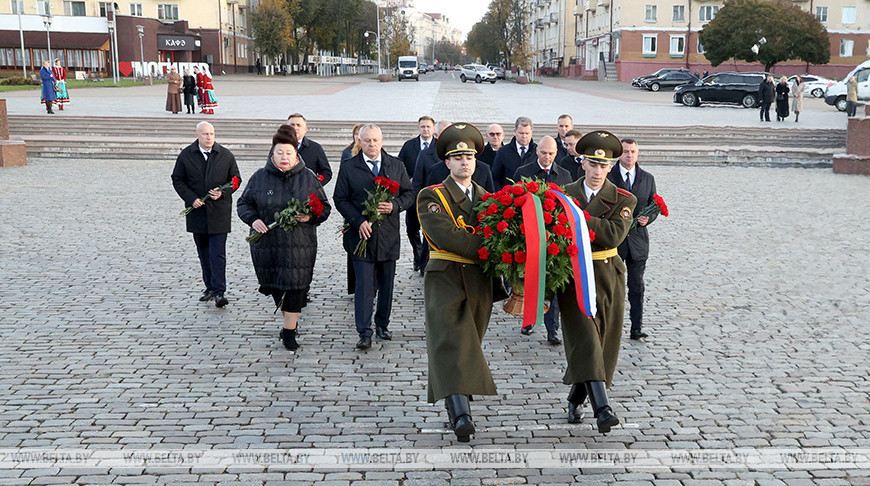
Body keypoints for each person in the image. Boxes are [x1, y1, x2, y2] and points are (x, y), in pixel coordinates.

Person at [417, 122, 502, 443]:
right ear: (447, 163)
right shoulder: (432, 195)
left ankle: (461, 399)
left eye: (469, 156)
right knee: (451, 340)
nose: (465, 162)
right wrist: (488, 245)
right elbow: (445, 235)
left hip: (480, 281)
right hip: (445, 277)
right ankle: (460, 414)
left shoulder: (489, 200)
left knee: (470, 341)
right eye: (457, 157)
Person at [557, 130, 636, 434]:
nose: (597, 171)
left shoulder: (624, 198)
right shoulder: (563, 193)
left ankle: (576, 397)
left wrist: (577, 217)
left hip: (608, 276)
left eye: (604, 166)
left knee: (604, 346)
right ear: (582, 163)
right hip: (574, 275)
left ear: (611, 167)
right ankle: (602, 408)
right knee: (586, 340)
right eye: (592, 164)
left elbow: (614, 234)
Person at [237, 127, 331, 351]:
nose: (284, 157)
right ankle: (288, 321)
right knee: (276, 287)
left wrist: (310, 216)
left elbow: (325, 209)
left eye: (289, 153)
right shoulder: (260, 177)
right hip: (268, 246)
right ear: (272, 155)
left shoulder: (308, 178)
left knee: (296, 289)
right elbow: (243, 204)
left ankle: (289, 331)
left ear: (296, 155)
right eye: (280, 153)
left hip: (300, 246)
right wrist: (253, 220)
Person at [333, 124, 414, 350]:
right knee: (364, 286)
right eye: (367, 140)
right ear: (360, 142)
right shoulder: (349, 167)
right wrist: (358, 221)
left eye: (375, 140)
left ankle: (382, 324)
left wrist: (395, 205)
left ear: (382, 140)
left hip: (388, 235)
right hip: (361, 237)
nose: (371, 144)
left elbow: (410, 193)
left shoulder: (395, 165)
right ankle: (364, 331)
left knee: (386, 284)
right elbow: (340, 198)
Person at [171, 121, 242, 308]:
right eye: (205, 134)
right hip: (198, 213)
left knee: (217, 254)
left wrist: (223, 192)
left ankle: (220, 292)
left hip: (219, 213)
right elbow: (177, 179)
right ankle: (209, 287)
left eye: (211, 133)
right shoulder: (186, 155)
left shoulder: (225, 155)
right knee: (203, 253)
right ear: (197, 135)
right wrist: (191, 198)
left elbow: (235, 179)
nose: (209, 137)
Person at [513, 136, 572, 346]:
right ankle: (528, 320)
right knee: (530, 278)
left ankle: (552, 328)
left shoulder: (564, 175)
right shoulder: (523, 172)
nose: (547, 157)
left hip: (555, 236)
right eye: (544, 153)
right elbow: (514, 203)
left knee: (554, 283)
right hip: (528, 235)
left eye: (551, 153)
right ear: (537, 151)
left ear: (557, 153)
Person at [607, 138, 658, 341]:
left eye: (633, 152)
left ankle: (636, 326)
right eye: (626, 151)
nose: (629, 155)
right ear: (620, 153)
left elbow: (654, 205)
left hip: (638, 242)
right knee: (612, 286)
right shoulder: (609, 177)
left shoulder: (647, 178)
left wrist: (648, 219)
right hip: (615, 242)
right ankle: (611, 327)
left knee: (636, 286)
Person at [398, 116, 436, 273]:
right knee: (412, 229)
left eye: (428, 126)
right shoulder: (409, 146)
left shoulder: (439, 147)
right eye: (423, 127)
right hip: (413, 194)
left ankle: (424, 260)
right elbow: (399, 166)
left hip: (432, 196)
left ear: (433, 128)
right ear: (418, 128)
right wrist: (407, 180)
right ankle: (417, 252)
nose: (425, 129)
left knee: (429, 229)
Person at [286, 113, 332, 185]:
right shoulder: (278, 147)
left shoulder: (315, 148)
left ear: (305, 129)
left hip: (307, 193)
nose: (295, 128)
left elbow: (326, 172)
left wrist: (314, 185)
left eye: (299, 125)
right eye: (292, 125)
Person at [491, 117, 537, 188]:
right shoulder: (503, 152)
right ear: (515, 132)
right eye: (521, 133)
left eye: (527, 133)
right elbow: (495, 178)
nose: (524, 136)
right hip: (508, 195)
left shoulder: (538, 151)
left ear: (532, 132)